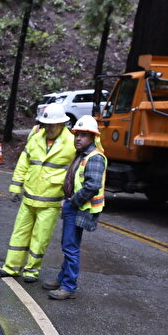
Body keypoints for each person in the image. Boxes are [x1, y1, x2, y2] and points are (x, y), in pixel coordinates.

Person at [0, 104, 77, 282]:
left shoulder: (72, 143)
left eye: (53, 125)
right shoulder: (36, 138)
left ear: (62, 124)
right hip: (29, 197)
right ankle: (11, 267)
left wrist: (69, 197)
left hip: (51, 201)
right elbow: (23, 163)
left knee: (40, 238)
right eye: (47, 125)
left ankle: (31, 271)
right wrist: (15, 187)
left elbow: (76, 172)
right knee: (19, 233)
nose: (49, 128)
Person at [46, 115, 107, 300]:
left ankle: (68, 286)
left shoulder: (94, 158)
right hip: (74, 206)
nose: (78, 138)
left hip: (79, 208)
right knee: (68, 245)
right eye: (77, 134)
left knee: (70, 247)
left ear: (93, 137)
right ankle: (62, 279)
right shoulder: (82, 154)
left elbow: (92, 186)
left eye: (84, 135)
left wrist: (72, 201)